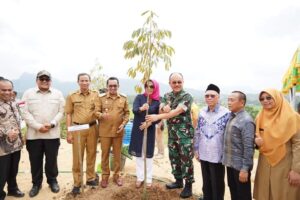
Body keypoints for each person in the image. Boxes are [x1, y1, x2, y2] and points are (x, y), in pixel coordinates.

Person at [146, 72, 194, 198]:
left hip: (185, 136)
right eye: (174, 82)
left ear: (183, 82)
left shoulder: (187, 96)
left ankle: (188, 186)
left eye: (179, 82)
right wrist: (163, 108)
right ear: (170, 83)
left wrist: (159, 116)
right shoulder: (167, 95)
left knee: (186, 160)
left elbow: (175, 112)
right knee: (174, 158)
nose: (177, 84)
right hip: (172, 134)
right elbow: (161, 106)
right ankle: (178, 181)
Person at [21, 70, 65, 197]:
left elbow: (61, 111)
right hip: (34, 135)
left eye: (47, 79)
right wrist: (37, 126)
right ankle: (36, 184)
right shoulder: (28, 94)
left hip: (52, 134)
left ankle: (52, 181)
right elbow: (24, 112)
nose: (44, 81)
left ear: (50, 81)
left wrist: (52, 123)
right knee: (35, 160)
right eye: (42, 79)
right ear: (37, 80)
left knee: (52, 160)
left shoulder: (58, 94)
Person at [254, 89, 300, 200]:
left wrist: (296, 170)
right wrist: (255, 142)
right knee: (265, 194)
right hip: (264, 164)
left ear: (277, 98)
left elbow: (298, 145)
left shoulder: (292, 117)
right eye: (262, 99)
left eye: (269, 97)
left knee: (283, 195)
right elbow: (256, 138)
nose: (265, 101)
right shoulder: (260, 117)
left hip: (285, 165)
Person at [194, 84, 229, 200]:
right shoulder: (202, 112)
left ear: (218, 97)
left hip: (218, 154)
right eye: (207, 96)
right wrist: (196, 149)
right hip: (204, 152)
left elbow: (228, 136)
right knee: (206, 180)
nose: (209, 98)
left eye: (212, 96)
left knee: (217, 182)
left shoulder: (226, 114)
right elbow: (198, 131)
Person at [65, 73, 99, 195]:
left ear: (90, 82)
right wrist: (69, 132)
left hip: (92, 128)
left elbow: (99, 110)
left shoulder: (95, 94)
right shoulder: (71, 96)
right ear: (78, 82)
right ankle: (77, 183)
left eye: (86, 80)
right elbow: (68, 114)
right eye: (82, 80)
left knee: (91, 154)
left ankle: (90, 178)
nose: (84, 82)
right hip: (77, 129)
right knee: (77, 157)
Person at [95, 77, 129, 188]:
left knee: (117, 155)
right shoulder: (101, 98)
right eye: (110, 86)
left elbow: (127, 113)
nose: (113, 87)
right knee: (104, 155)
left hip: (118, 132)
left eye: (115, 85)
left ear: (118, 86)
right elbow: (95, 112)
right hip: (104, 132)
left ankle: (117, 176)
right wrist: (101, 115)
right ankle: (105, 177)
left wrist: (123, 124)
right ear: (107, 87)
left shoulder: (123, 98)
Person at [223, 91, 255, 200]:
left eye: (232, 100)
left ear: (242, 103)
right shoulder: (231, 117)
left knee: (243, 195)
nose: (229, 102)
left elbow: (249, 147)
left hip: (240, 167)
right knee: (234, 192)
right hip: (230, 164)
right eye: (228, 99)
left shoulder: (246, 121)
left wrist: (245, 169)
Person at [128, 79, 160, 188]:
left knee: (148, 155)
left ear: (155, 88)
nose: (149, 88)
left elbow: (159, 118)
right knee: (139, 154)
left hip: (149, 131)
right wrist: (142, 108)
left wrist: (150, 123)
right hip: (138, 129)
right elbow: (134, 110)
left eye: (152, 86)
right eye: (147, 86)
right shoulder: (139, 97)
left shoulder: (157, 101)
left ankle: (149, 178)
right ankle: (140, 177)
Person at [0, 79, 24, 200]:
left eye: (9, 90)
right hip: (2, 148)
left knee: (13, 170)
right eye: (3, 90)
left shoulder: (14, 103)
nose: (7, 92)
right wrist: (6, 133)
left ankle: (13, 189)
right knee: (2, 173)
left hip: (16, 144)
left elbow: (18, 121)